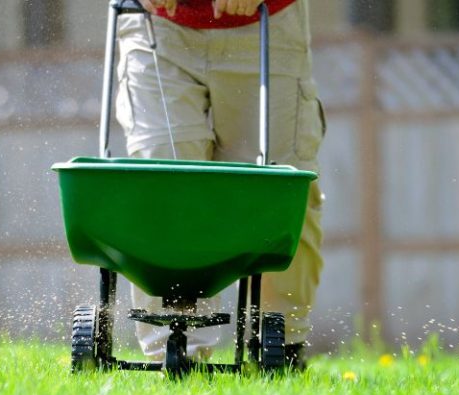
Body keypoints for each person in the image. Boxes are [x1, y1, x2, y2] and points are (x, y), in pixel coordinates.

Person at [115, 0, 325, 367]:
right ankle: (176, 345)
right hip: (159, 26)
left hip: (265, 20)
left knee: (281, 186)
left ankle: (281, 342)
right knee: (165, 177)